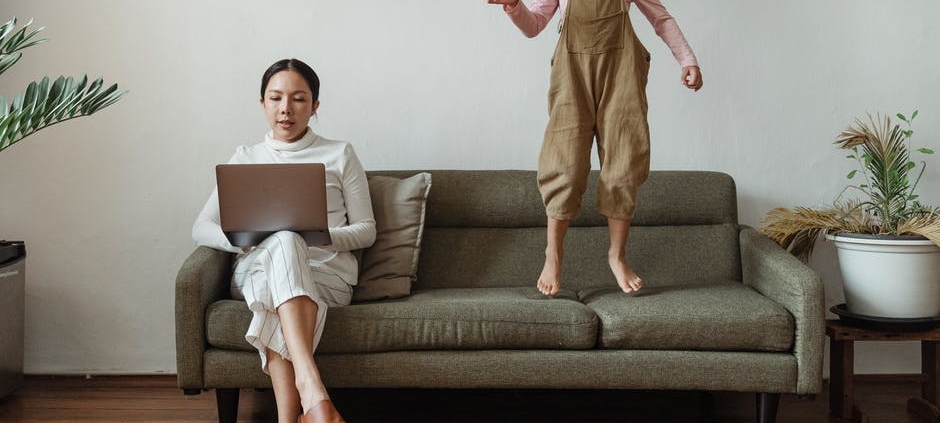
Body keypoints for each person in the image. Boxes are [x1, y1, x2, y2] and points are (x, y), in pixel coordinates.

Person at [192, 58, 375, 423]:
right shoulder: (245, 157)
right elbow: (201, 227)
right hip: (258, 267)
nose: (285, 109)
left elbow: (366, 229)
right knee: (282, 242)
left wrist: (315, 237)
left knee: (287, 248)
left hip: (327, 276)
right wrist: (250, 242)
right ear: (262, 103)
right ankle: (313, 393)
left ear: (315, 105)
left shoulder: (340, 153)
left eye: (298, 99)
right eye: (275, 98)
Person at [486, 0, 703, 297]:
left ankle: (617, 255)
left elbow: (660, 18)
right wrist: (514, 6)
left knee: (624, 162)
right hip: (571, 77)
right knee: (564, 165)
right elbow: (534, 26)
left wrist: (687, 59)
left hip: (622, 76)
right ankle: (553, 254)